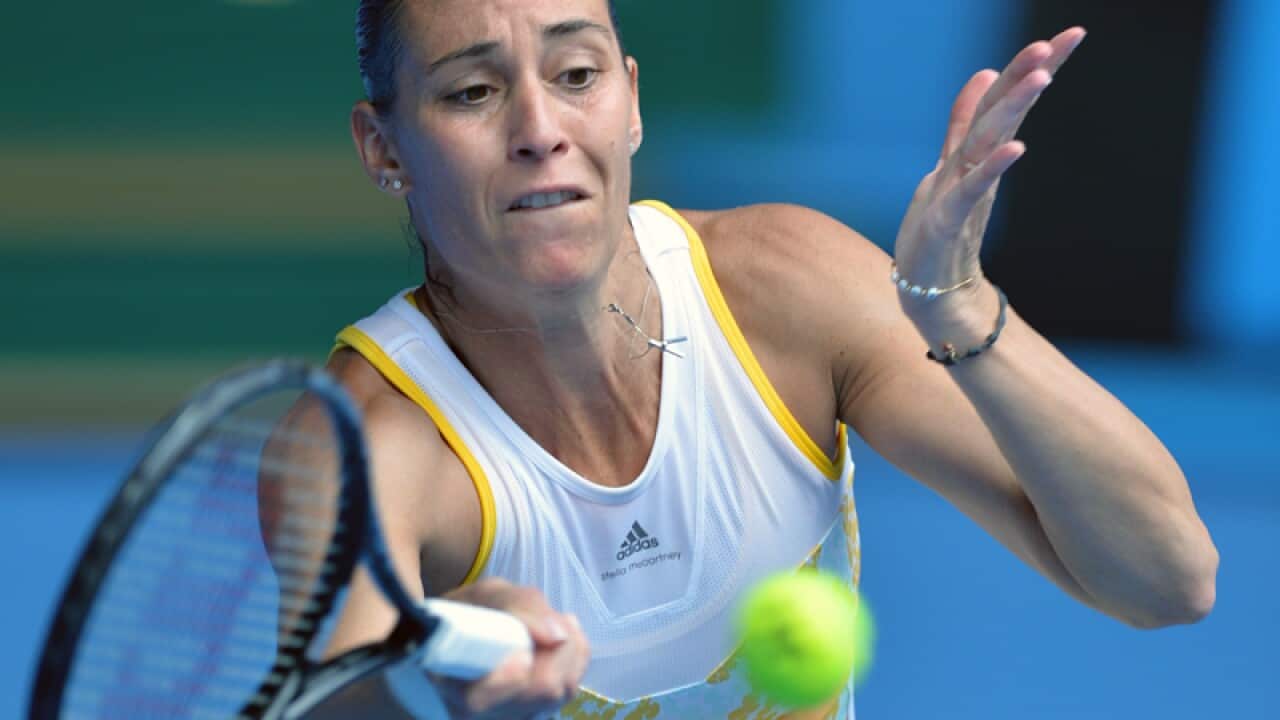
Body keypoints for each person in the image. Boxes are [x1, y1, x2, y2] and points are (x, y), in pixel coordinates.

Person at [317, 1, 1219, 717]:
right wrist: (427, 689)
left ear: (630, 103)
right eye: (472, 92)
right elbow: (331, 703)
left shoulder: (786, 290)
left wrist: (959, 304)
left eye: (577, 73)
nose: (540, 127)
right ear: (382, 147)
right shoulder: (367, 446)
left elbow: (1166, 577)